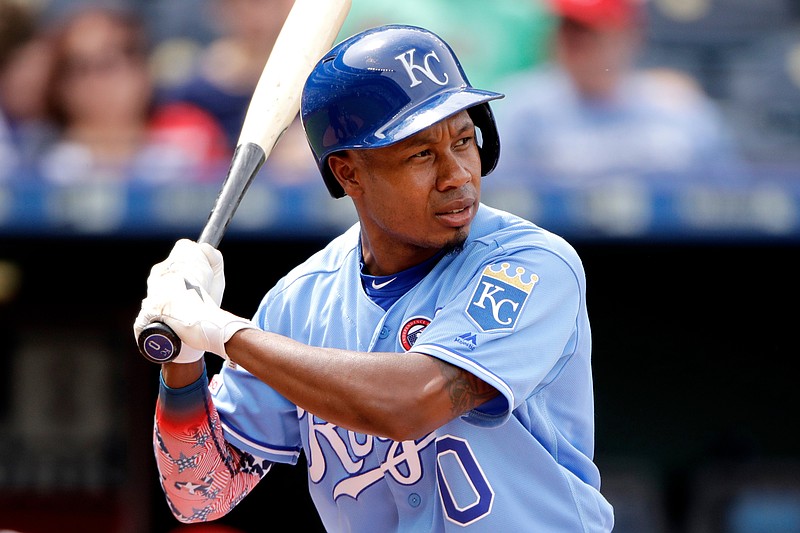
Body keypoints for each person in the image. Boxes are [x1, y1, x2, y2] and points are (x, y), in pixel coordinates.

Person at [134, 25, 614, 531]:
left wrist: (222, 333)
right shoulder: (302, 302)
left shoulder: (528, 264)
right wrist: (185, 358)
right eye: (421, 154)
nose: (457, 175)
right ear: (349, 174)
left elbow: (412, 403)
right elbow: (201, 494)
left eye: (464, 140)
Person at [490, 0, 749, 190]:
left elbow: (729, 197)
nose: (573, 41)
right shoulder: (523, 108)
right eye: (567, 27)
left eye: (588, 31)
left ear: (630, 35)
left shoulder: (680, 107)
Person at [37, 5, 230, 185]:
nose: (94, 82)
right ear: (59, 84)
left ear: (142, 70)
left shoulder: (190, 139)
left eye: (107, 64)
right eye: (79, 68)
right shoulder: (39, 161)